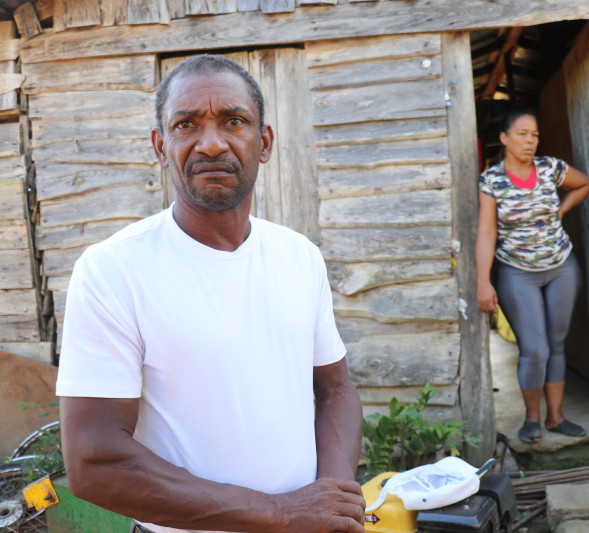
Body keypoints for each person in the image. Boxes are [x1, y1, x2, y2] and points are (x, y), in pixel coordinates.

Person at [55, 54, 366, 533]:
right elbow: (95, 462)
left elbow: (335, 390)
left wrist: (332, 499)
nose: (212, 142)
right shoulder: (113, 271)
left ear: (263, 143)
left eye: (233, 121)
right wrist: (279, 514)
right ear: (161, 147)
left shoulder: (298, 256)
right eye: (186, 124)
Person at [476, 110, 589, 444]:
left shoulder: (550, 168)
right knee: (534, 349)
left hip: (561, 267)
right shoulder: (492, 180)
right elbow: (486, 233)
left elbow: (584, 183)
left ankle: (556, 418)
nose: (530, 141)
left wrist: (562, 209)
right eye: (523, 134)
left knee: (556, 344)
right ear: (504, 138)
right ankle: (532, 419)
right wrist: (484, 280)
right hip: (517, 272)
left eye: (535, 135)